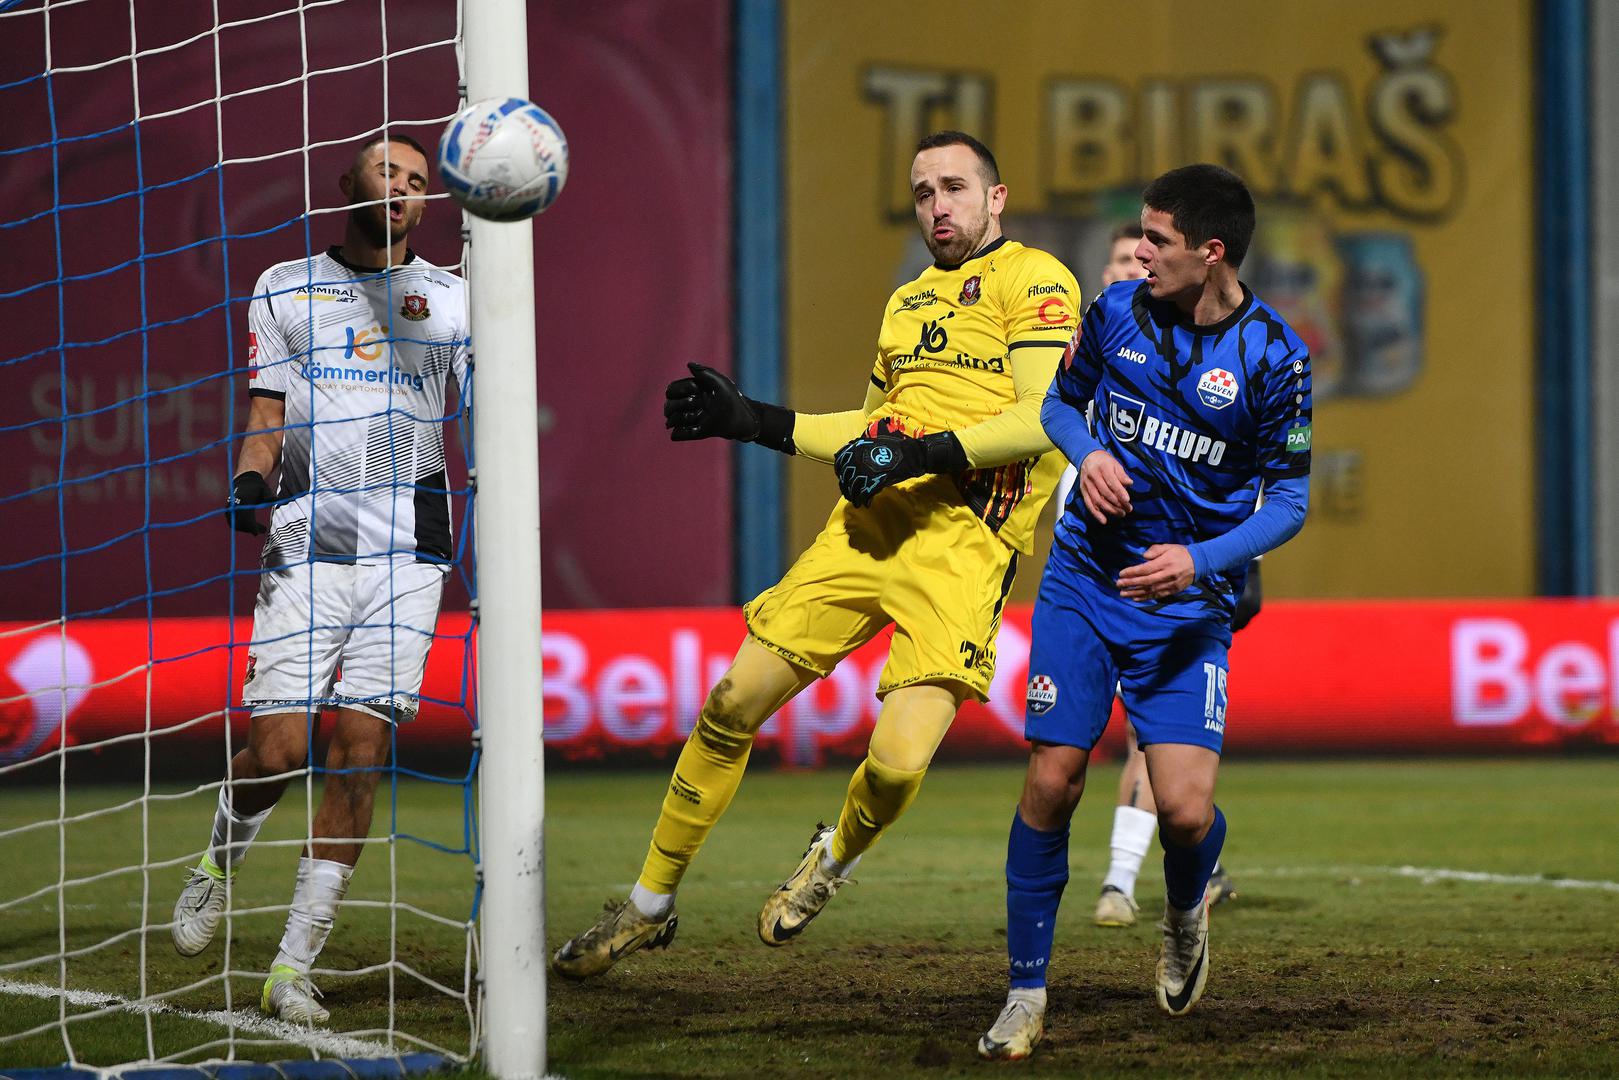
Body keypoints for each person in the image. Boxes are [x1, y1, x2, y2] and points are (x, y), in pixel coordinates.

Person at [550, 131, 1080, 979]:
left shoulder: (1037, 279)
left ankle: (831, 859)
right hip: (863, 533)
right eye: (922, 193)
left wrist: (916, 453)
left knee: (896, 768)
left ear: (996, 197)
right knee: (729, 705)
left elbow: (1040, 418)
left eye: (953, 187)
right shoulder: (907, 301)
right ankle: (647, 905)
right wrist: (755, 421)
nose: (936, 206)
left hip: (962, 549)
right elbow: (870, 430)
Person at [977, 164, 1311, 1060]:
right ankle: (1024, 992)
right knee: (1052, 779)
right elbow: (1058, 404)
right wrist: (1086, 454)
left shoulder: (1274, 356)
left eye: (1156, 240)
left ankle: (1184, 916)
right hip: (1085, 582)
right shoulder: (1114, 312)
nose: (1138, 253)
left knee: (1186, 814)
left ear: (1211, 252)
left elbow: (1289, 502)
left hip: (1186, 603)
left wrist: (1197, 560)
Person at [171, 134, 468, 1026]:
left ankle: (291, 967)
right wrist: (249, 481)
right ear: (348, 182)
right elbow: (266, 413)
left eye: (418, 180)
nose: (403, 187)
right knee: (277, 754)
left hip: (409, 551)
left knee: (360, 753)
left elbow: (487, 410)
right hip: (308, 543)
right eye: (388, 171)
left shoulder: (453, 298)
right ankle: (218, 860)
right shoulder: (284, 286)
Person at [1073, 223, 1251, 930]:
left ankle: (1125, 879)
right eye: (1121, 259)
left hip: (1169, 568)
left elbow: (1226, 471)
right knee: (1089, 747)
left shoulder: (1197, 352)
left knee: (1147, 737)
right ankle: (1182, 859)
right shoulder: (1090, 344)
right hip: (1092, 564)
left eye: (1142, 257)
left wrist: (1238, 560)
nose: (1134, 268)